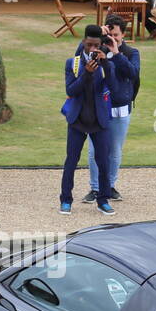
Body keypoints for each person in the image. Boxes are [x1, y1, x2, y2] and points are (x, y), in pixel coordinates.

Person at [59, 25, 114, 215]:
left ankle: (103, 200)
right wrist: (86, 74)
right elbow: (71, 91)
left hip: (99, 121)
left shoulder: (106, 63)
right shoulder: (72, 63)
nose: (92, 50)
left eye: (96, 46)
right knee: (71, 161)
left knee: (103, 162)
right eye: (89, 45)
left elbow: (113, 86)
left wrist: (105, 63)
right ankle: (66, 200)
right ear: (83, 42)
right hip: (77, 120)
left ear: (101, 45)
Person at [84, 14, 138, 205]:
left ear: (123, 35)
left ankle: (111, 185)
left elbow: (132, 73)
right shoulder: (95, 48)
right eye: (110, 35)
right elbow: (77, 59)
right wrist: (95, 35)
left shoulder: (131, 52)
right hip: (97, 107)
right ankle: (96, 188)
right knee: (93, 151)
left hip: (120, 109)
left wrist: (116, 54)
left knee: (114, 150)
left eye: (116, 35)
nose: (112, 39)